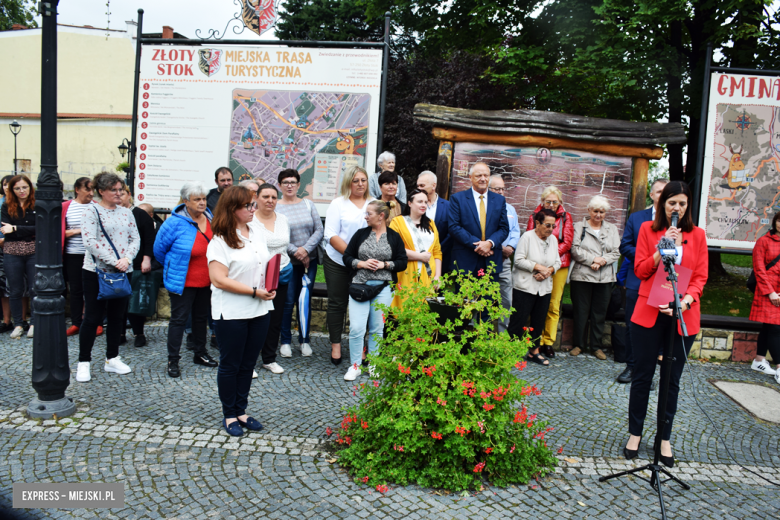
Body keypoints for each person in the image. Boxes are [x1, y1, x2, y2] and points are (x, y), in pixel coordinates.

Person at [624, 181, 708, 467]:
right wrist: (662, 249)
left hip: (681, 313)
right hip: (648, 311)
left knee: (671, 381)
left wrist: (683, 302)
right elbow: (640, 270)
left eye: (682, 203)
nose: (677, 208)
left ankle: (664, 438)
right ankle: (635, 433)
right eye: (672, 202)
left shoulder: (698, 236)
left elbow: (700, 277)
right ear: (663, 205)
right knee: (643, 375)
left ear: (688, 207)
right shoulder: (648, 230)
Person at [207, 186, 276, 437]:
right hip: (232, 312)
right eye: (248, 205)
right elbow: (219, 280)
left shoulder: (256, 231)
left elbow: (263, 264)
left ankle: (241, 410)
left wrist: (269, 287)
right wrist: (253, 291)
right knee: (230, 364)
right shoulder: (219, 241)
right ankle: (229, 413)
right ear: (232, 209)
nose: (253, 209)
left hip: (259, 308)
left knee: (248, 364)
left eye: (253, 204)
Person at [75, 173, 140, 383]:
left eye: (120, 189)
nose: (119, 193)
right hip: (96, 272)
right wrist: (114, 260)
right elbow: (90, 241)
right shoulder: (91, 211)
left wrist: (127, 258)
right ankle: (83, 362)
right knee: (92, 318)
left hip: (122, 272)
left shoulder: (127, 213)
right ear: (101, 191)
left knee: (117, 317)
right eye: (114, 189)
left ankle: (112, 358)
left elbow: (135, 238)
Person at [153, 182, 219, 377]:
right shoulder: (173, 223)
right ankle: (173, 360)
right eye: (197, 199)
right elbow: (159, 251)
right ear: (185, 202)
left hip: (206, 280)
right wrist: (175, 266)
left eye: (204, 198)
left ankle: (200, 353)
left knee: (200, 319)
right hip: (183, 281)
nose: (202, 202)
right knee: (179, 320)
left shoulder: (210, 218)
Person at [342, 200, 408, 380]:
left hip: (384, 288)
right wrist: (361, 263)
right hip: (359, 287)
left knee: (377, 328)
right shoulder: (360, 234)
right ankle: (355, 365)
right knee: (356, 328)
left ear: (381, 216)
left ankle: (374, 364)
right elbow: (346, 257)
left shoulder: (394, 237)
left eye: (368, 213)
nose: (365, 217)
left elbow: (402, 262)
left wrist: (385, 264)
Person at [617, 178, 669, 383]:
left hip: (663, 282)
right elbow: (625, 246)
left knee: (660, 325)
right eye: (658, 192)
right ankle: (631, 366)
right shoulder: (637, 218)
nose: (662, 195)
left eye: (666, 192)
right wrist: (647, 258)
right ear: (652, 195)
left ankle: (651, 371)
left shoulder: (676, 221)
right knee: (633, 325)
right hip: (637, 279)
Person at [323, 165, 374, 366]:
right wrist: (354, 258)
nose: (360, 184)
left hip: (365, 265)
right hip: (338, 260)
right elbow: (331, 235)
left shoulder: (373, 203)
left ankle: (359, 345)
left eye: (363, 180)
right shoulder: (338, 204)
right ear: (348, 183)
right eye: (356, 180)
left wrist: (362, 262)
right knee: (337, 303)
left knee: (362, 304)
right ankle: (335, 343)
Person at [275, 168, 323, 358]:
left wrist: (305, 250)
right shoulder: (276, 207)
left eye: (293, 182)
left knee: (304, 301)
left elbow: (319, 230)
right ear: (279, 185)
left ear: (298, 185)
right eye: (285, 182)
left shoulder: (308, 204)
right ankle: (285, 341)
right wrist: (296, 251)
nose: (289, 186)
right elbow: (277, 235)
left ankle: (305, 340)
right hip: (287, 262)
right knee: (287, 302)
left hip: (308, 264)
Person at [569, 195, 621, 360]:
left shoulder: (611, 229)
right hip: (582, 276)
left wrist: (602, 261)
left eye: (602, 212)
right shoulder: (579, 226)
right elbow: (575, 249)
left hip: (604, 277)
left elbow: (616, 251)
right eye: (595, 211)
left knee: (599, 313)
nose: (598, 215)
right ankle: (578, 344)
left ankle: (596, 346)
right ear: (589, 210)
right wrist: (593, 260)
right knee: (581, 311)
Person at [525, 186, 574, 358]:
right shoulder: (535, 216)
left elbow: (567, 242)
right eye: (548, 201)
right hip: (537, 262)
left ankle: (548, 342)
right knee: (535, 303)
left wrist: (550, 259)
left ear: (559, 202)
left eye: (555, 201)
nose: (551, 204)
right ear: (543, 202)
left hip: (558, 264)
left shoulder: (566, 217)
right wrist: (541, 262)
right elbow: (530, 237)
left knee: (553, 305)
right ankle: (533, 341)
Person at [509, 209, 561, 366]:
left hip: (544, 287)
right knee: (518, 320)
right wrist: (538, 267)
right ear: (537, 223)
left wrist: (548, 271)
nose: (550, 229)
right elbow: (518, 260)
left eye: (553, 226)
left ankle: (534, 352)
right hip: (525, 286)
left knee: (539, 321)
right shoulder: (527, 237)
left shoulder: (552, 240)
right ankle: (511, 351)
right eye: (547, 225)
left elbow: (557, 262)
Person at [252, 182, 293, 374]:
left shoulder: (283, 219)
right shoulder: (250, 221)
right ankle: (249, 362)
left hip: (282, 273)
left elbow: (285, 245)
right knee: (255, 318)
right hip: (258, 276)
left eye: (274, 197)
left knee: (275, 319)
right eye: (265, 197)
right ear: (257, 198)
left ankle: (269, 359)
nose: (270, 201)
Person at [447, 162, 509, 277]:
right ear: (470, 177)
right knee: (464, 296)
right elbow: (454, 227)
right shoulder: (457, 199)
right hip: (465, 261)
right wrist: (479, 245)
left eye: (486, 175)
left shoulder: (499, 200)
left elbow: (504, 228)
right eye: (478, 176)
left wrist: (490, 243)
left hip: (491, 262)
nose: (483, 179)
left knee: (490, 295)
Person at [389, 189, 442, 307]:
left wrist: (438, 276)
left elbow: (437, 252)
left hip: (428, 274)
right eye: (419, 202)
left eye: (425, 202)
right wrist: (420, 256)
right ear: (409, 203)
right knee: (404, 309)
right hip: (406, 272)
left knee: (425, 312)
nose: (423, 205)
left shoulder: (431, 224)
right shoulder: (397, 222)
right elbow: (393, 248)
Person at [0, 175, 37, 339]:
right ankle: (18, 324)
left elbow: (39, 228)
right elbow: (4, 229)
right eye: (17, 188)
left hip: (33, 251)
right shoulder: (6, 206)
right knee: (14, 290)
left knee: (35, 288)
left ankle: (34, 323)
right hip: (11, 251)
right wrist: (24, 230)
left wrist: (14, 228)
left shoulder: (37, 205)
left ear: (30, 187)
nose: (22, 191)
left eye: (24, 187)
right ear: (12, 190)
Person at [62, 177, 98, 337]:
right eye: (87, 189)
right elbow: (59, 231)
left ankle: (94, 322)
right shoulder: (66, 207)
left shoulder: (97, 207)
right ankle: (76, 322)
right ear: (77, 189)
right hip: (73, 254)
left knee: (93, 289)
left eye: (92, 190)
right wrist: (78, 231)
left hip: (92, 255)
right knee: (75, 289)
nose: (91, 193)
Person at [749, 211, 780, 384]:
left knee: (769, 328)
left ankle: (759, 360)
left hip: (779, 293)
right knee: (775, 328)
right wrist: (770, 292)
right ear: (775, 222)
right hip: (767, 291)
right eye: (779, 221)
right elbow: (759, 269)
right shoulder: (763, 241)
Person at [489, 175, 521, 333]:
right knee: (483, 298)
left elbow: (515, 231)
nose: (501, 192)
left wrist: (511, 247)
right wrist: (500, 247)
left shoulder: (510, 209)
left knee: (506, 299)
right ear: (489, 190)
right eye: (497, 189)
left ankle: (502, 336)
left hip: (505, 260)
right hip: (487, 259)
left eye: (502, 188)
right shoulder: (483, 207)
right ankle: (481, 335)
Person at [416, 171, 450, 270]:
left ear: (433, 186)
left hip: (442, 258)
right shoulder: (414, 206)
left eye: (422, 185)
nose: (419, 188)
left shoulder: (448, 206)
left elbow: (451, 232)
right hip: (417, 257)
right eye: (418, 186)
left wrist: (435, 250)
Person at [0, 175, 14, 332]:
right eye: (4, 184)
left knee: (8, 286)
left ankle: (8, 320)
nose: (7, 187)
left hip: (11, 246)